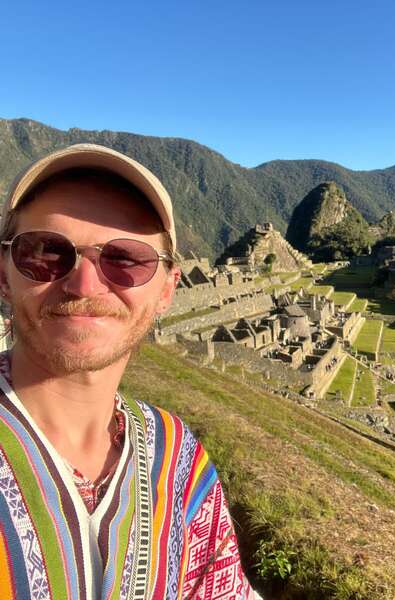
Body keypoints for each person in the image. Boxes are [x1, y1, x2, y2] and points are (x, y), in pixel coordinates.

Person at [0, 144, 259, 598]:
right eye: (46, 253)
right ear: (3, 275)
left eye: (125, 260)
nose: (84, 285)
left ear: (167, 290)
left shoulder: (178, 459)